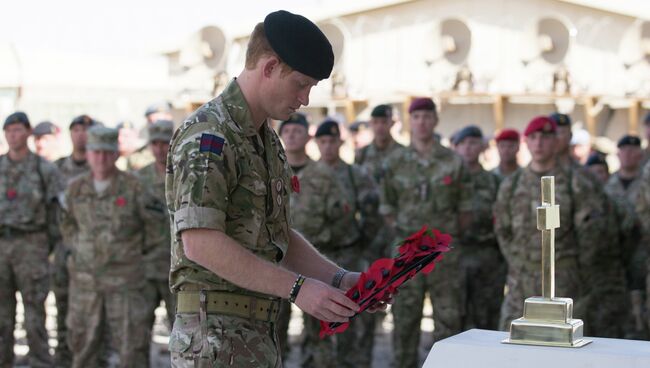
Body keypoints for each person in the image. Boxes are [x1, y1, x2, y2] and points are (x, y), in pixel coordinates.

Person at [165, 11, 385, 367]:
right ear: (268, 67)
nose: (306, 99)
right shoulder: (210, 135)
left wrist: (338, 279)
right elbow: (200, 241)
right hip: (213, 339)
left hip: (253, 335)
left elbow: (277, 237)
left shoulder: (265, 142)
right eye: (301, 84)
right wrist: (298, 288)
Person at [494, 116, 615, 334]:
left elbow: (591, 232)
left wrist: (573, 267)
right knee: (512, 341)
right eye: (533, 138)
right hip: (520, 282)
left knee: (562, 343)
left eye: (545, 137)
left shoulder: (576, 182)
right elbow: (502, 228)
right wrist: (517, 261)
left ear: (556, 142)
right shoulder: (511, 185)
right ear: (527, 143)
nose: (539, 143)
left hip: (564, 282)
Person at [381, 97, 472, 368]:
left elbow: (465, 211)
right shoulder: (394, 162)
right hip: (407, 254)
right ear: (411, 122)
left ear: (435, 120)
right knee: (405, 321)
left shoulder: (453, 162)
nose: (422, 122)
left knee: (448, 321)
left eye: (427, 116)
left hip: (443, 257)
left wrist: (444, 238)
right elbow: (387, 208)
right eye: (417, 117)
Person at [60, 126, 159, 367]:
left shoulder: (135, 187)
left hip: (125, 284)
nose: (101, 158)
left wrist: (134, 259)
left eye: (107, 152)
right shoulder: (75, 189)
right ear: (88, 153)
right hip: (86, 286)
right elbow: (67, 225)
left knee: (131, 351)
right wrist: (82, 251)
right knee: (84, 349)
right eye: (96, 152)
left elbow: (156, 230)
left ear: (116, 154)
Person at [276, 113, 347, 362]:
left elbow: (341, 219)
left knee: (321, 333)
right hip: (276, 264)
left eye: (298, 130)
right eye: (287, 131)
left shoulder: (323, 175)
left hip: (317, 263)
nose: (292, 135)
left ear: (308, 136)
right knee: (272, 332)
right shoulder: (271, 170)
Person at [311, 120, 381, 368]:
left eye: (332, 141)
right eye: (323, 142)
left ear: (340, 143)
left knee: (350, 317)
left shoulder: (355, 175)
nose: (328, 147)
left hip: (348, 255)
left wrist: (361, 241)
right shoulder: (306, 176)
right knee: (316, 322)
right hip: (314, 258)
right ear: (317, 143)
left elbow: (373, 213)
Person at [0, 111, 61, 368]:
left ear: (27, 132)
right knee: (2, 315)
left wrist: (50, 247)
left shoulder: (43, 168)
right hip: (2, 245)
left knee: (35, 313)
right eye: (9, 130)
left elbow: (55, 211)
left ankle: (40, 362)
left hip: (32, 245)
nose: (14, 135)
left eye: (18, 130)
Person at [52, 114, 96, 367]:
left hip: (94, 254)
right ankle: (62, 359)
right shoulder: (57, 169)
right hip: (64, 251)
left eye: (85, 129)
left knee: (91, 313)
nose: (81, 134)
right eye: (76, 129)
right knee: (62, 309)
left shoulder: (101, 168)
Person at [452, 126, 505, 331]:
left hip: (487, 255)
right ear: (455, 147)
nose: (468, 148)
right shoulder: (448, 181)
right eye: (463, 143)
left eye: (473, 143)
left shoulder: (493, 181)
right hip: (456, 254)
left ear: (482, 147)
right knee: (455, 314)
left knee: (487, 314)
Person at [134, 120, 177, 353]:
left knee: (184, 335)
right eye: (155, 143)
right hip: (146, 267)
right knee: (137, 335)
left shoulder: (186, 174)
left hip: (178, 270)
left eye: (165, 143)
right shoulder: (138, 181)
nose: (160, 148)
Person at [605, 135, 646, 339]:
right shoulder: (607, 186)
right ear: (618, 154)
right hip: (617, 255)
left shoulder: (646, 182)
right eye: (624, 150)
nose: (628, 154)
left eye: (633, 150)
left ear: (640, 154)